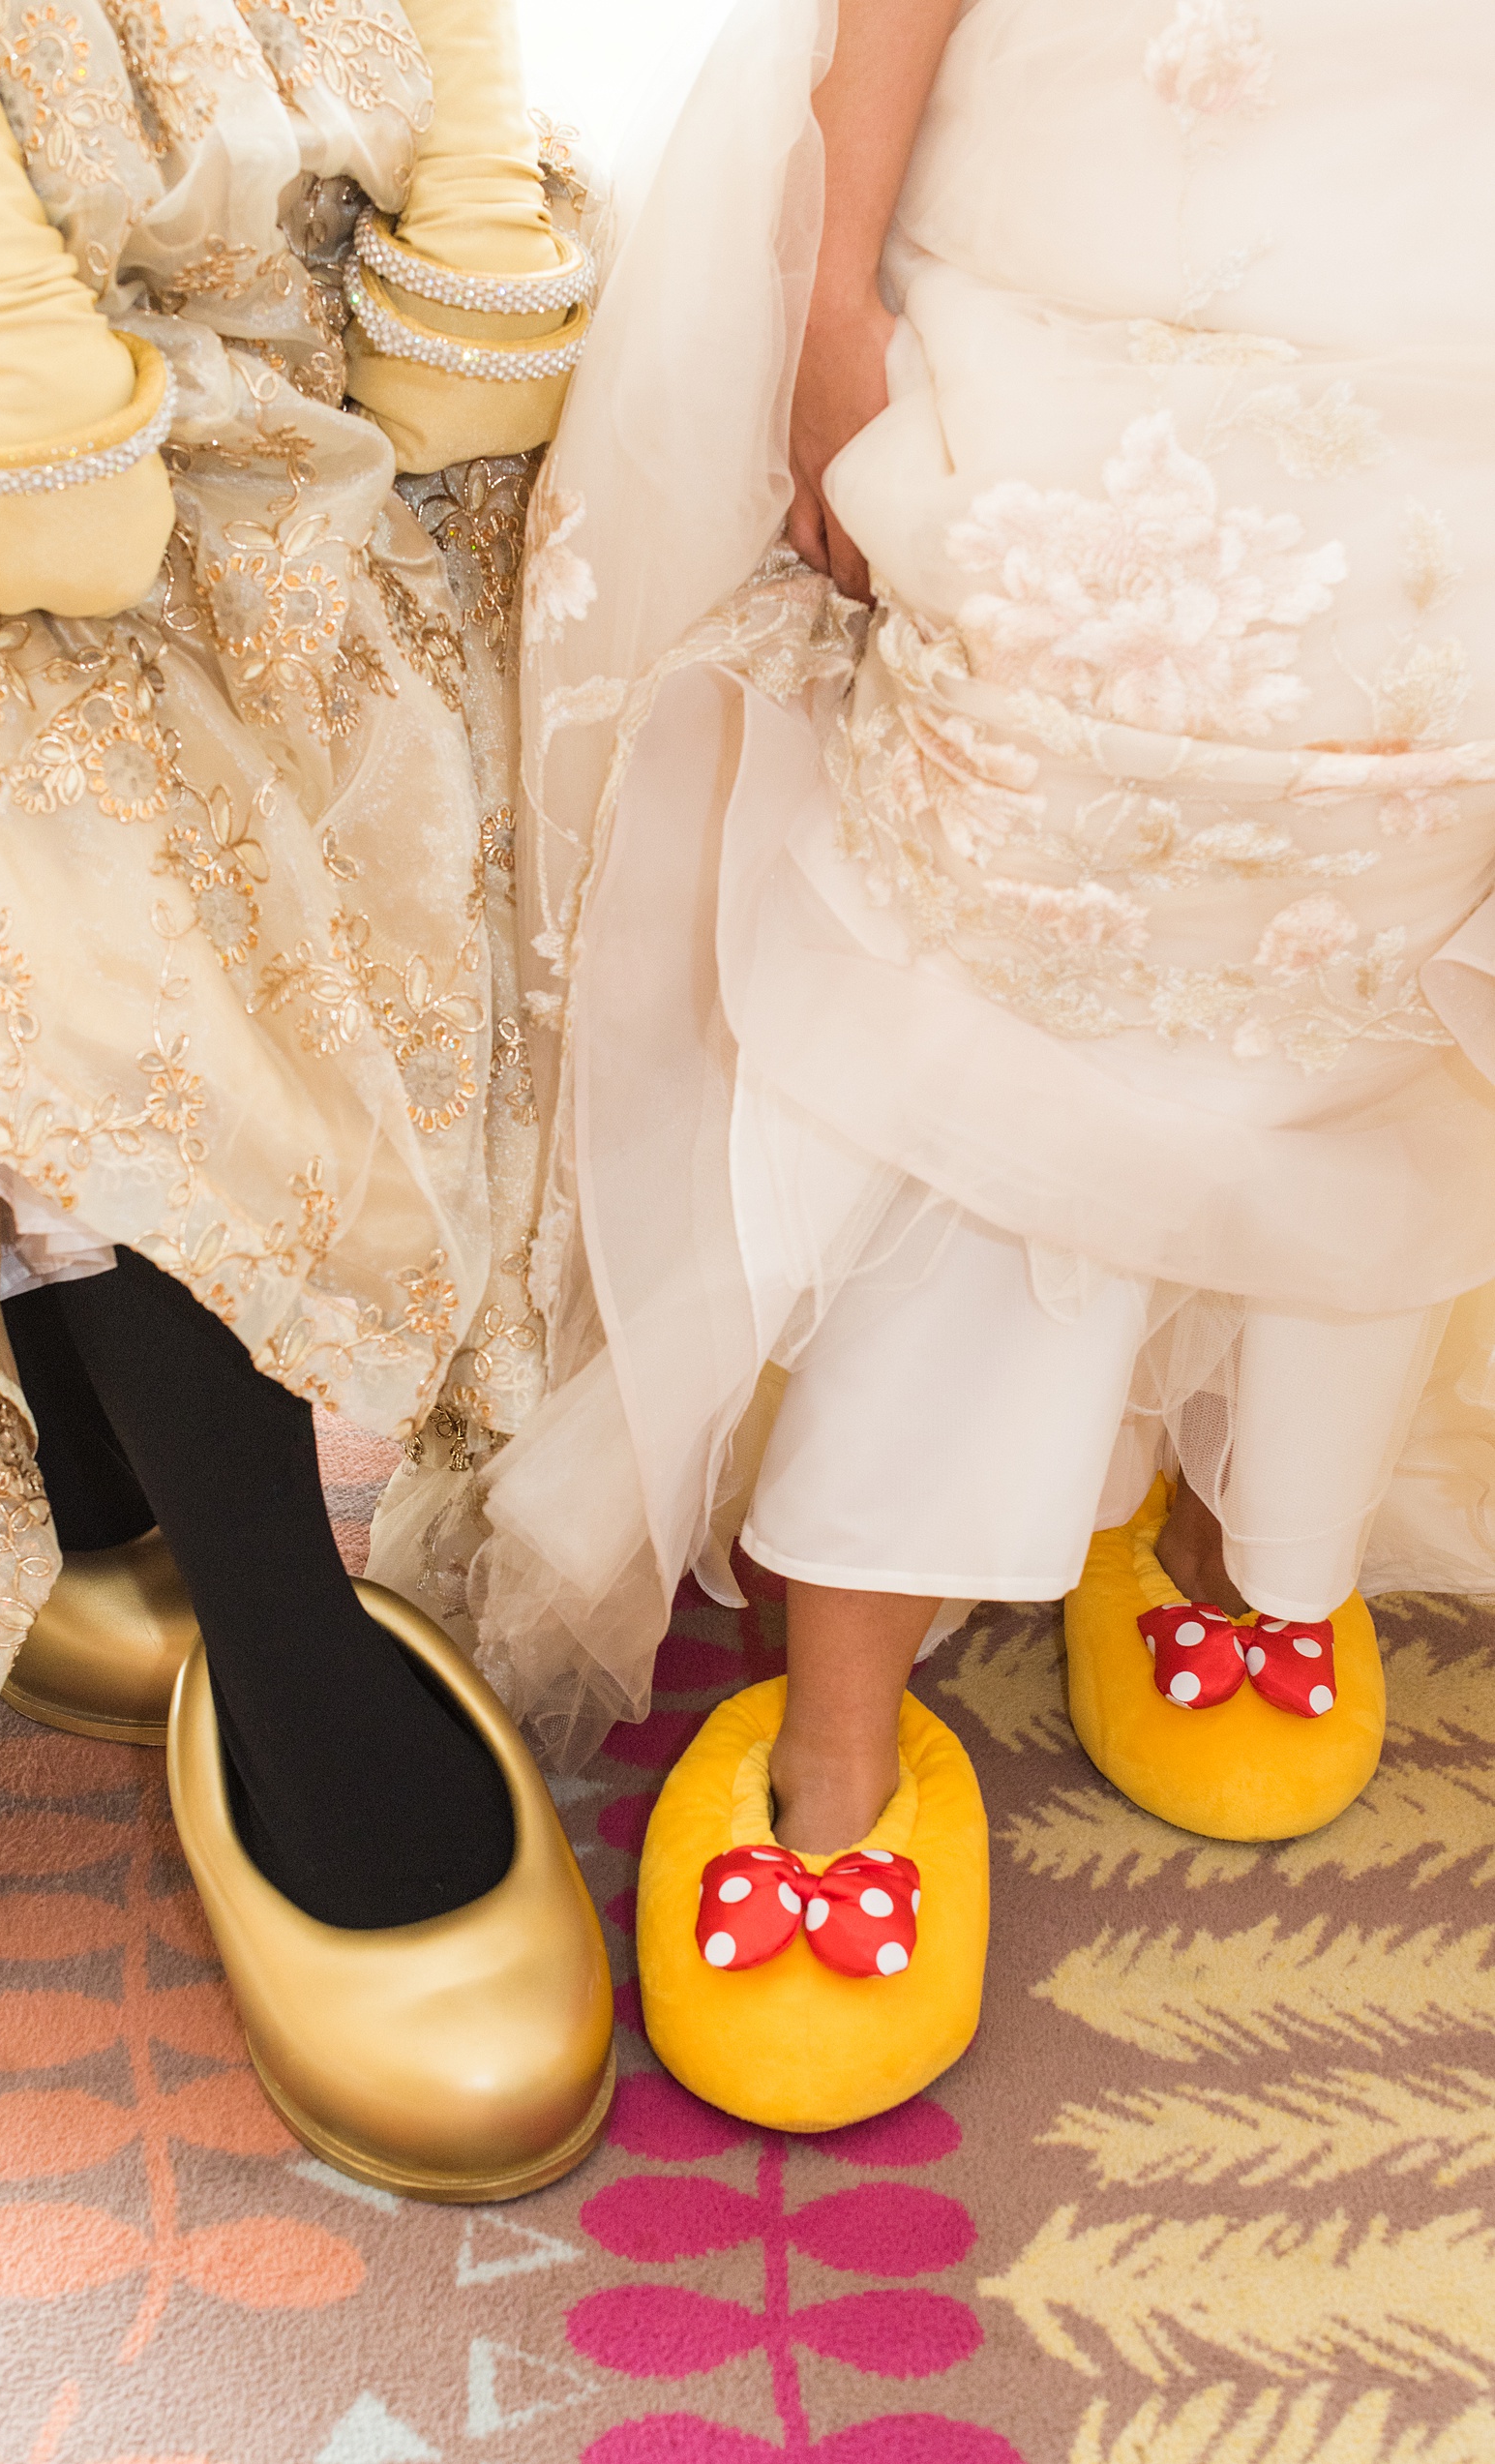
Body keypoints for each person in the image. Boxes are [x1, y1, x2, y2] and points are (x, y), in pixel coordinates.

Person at [375, 0, 1495, 2127]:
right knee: (993, 914)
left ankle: (1242, 1527)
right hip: (1084, 259)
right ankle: (841, 1710)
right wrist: (825, 292)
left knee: (1387, 918)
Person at [0, 0, 612, 2199]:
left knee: (322, 879)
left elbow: (453, 112)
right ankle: (275, 1632)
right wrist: (59, 440)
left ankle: (110, 1492)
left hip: (305, 408)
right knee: (99, 952)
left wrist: (459, 300)